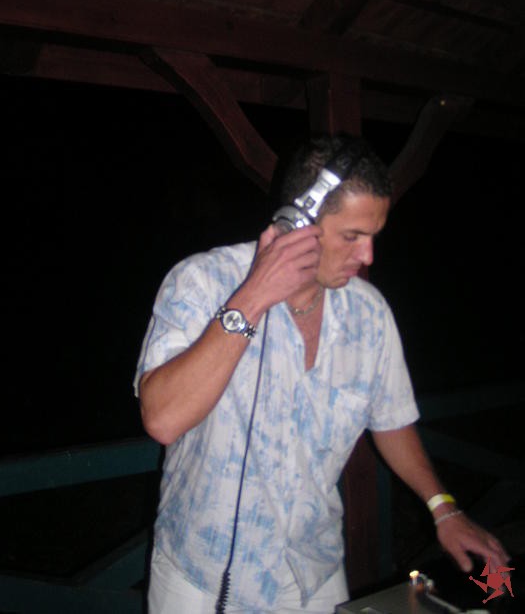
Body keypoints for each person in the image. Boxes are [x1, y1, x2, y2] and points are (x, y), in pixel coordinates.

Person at [134, 134, 509, 614]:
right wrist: (253, 298)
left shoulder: (369, 313)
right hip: (202, 576)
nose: (368, 256)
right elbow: (162, 419)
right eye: (352, 236)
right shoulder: (202, 282)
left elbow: (391, 420)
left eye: (374, 236)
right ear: (298, 224)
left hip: (313, 573)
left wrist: (443, 508)